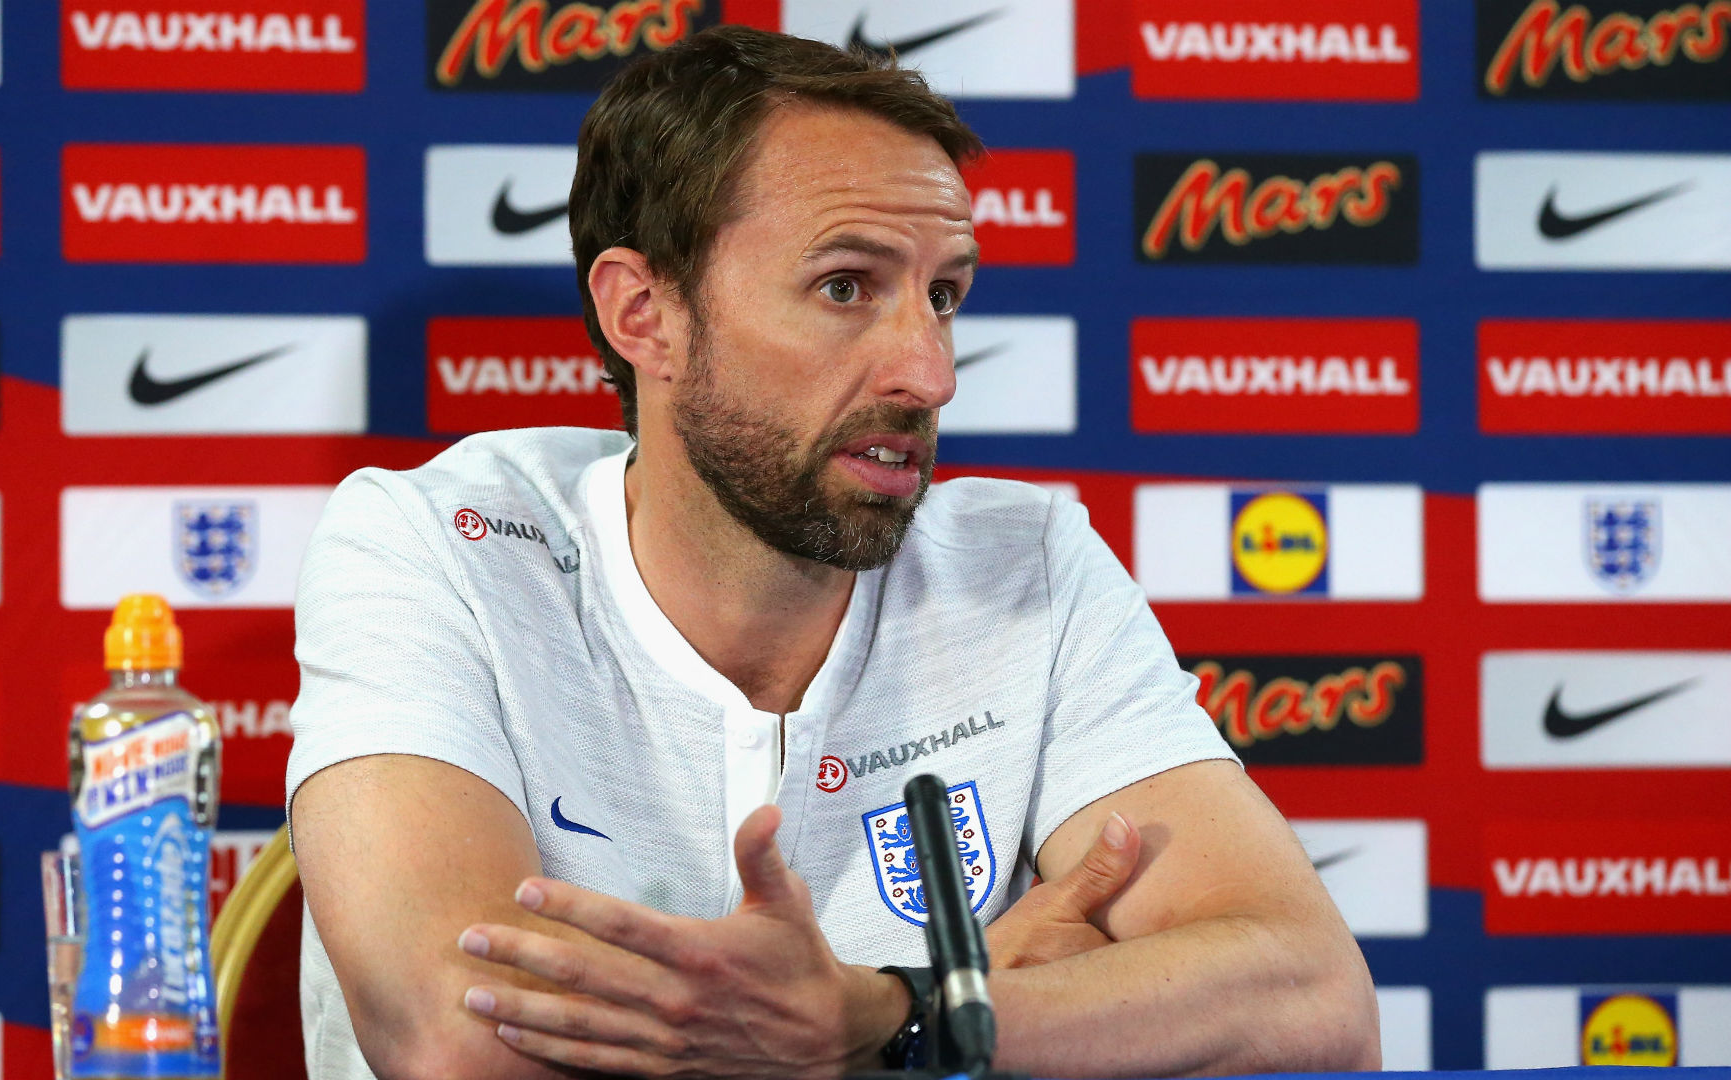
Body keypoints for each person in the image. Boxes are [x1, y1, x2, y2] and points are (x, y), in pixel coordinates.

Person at [287, 26, 1381, 1080]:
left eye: (943, 295)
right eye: (846, 287)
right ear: (645, 314)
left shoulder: (1027, 565)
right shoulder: (443, 546)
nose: (930, 374)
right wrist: (969, 1018)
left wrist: (896, 1013)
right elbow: (463, 1037)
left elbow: (1313, 999)